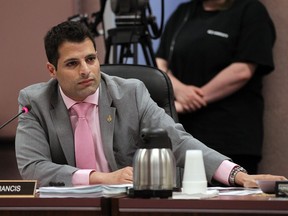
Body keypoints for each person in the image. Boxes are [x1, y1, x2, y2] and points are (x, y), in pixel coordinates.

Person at [15, 21, 285, 188]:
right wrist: (98, 177)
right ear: (52, 70)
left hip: (131, 207)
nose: (86, 70)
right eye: (72, 64)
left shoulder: (130, 93)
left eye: (91, 59)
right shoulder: (34, 101)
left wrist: (238, 174)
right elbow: (33, 168)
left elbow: (178, 141)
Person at [156, 0, 275, 174]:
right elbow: (160, 61)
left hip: (230, 136)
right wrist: (179, 90)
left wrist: (196, 98)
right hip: (184, 135)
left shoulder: (251, 11)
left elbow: (242, 70)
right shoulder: (184, 12)